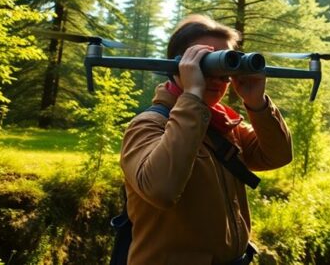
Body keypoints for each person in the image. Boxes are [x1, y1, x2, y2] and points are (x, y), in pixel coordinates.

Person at [119, 14, 293, 265]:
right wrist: (192, 95)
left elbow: (277, 155)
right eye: (205, 65)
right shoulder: (148, 125)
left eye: (225, 68)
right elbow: (161, 190)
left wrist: (257, 103)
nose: (216, 78)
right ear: (180, 66)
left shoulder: (222, 124)